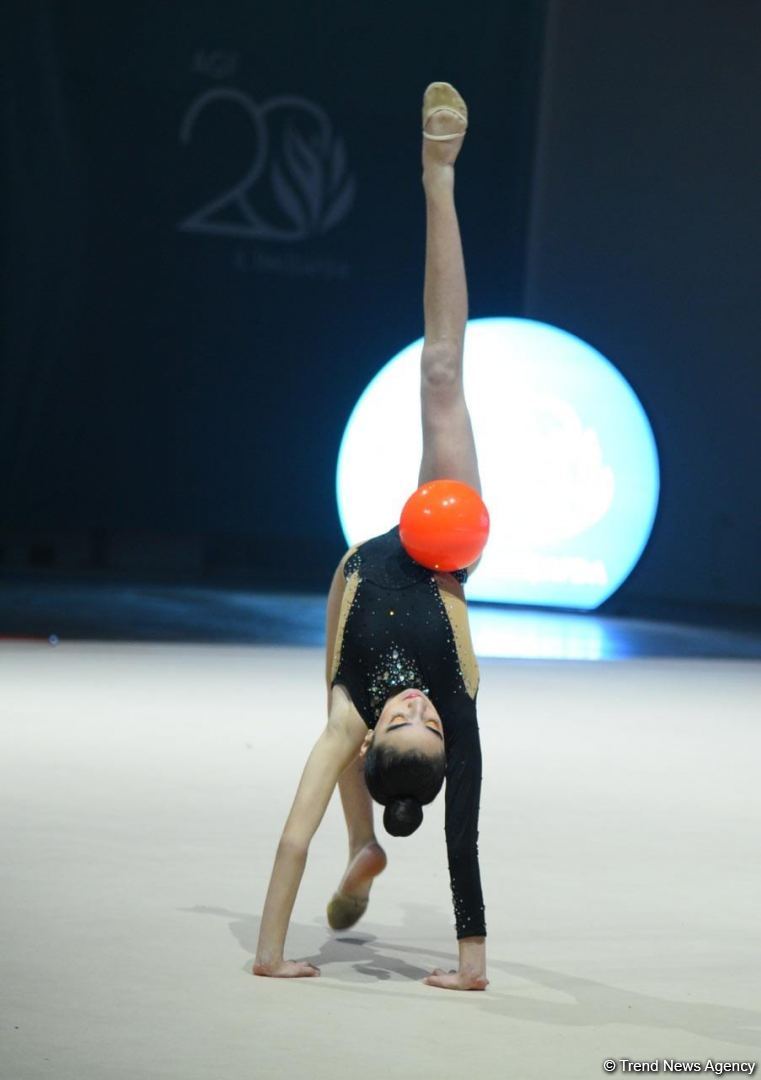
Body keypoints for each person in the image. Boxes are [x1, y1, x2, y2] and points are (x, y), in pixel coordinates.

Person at [253, 82, 488, 992]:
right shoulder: (456, 719)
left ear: (379, 733)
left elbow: (285, 833)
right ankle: (440, 177)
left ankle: (361, 844)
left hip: (354, 570)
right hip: (443, 550)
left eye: (410, 720)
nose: (422, 709)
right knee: (438, 371)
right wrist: (470, 966)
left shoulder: (352, 719)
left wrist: (270, 956)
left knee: (327, 733)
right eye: (431, 722)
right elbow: (461, 835)